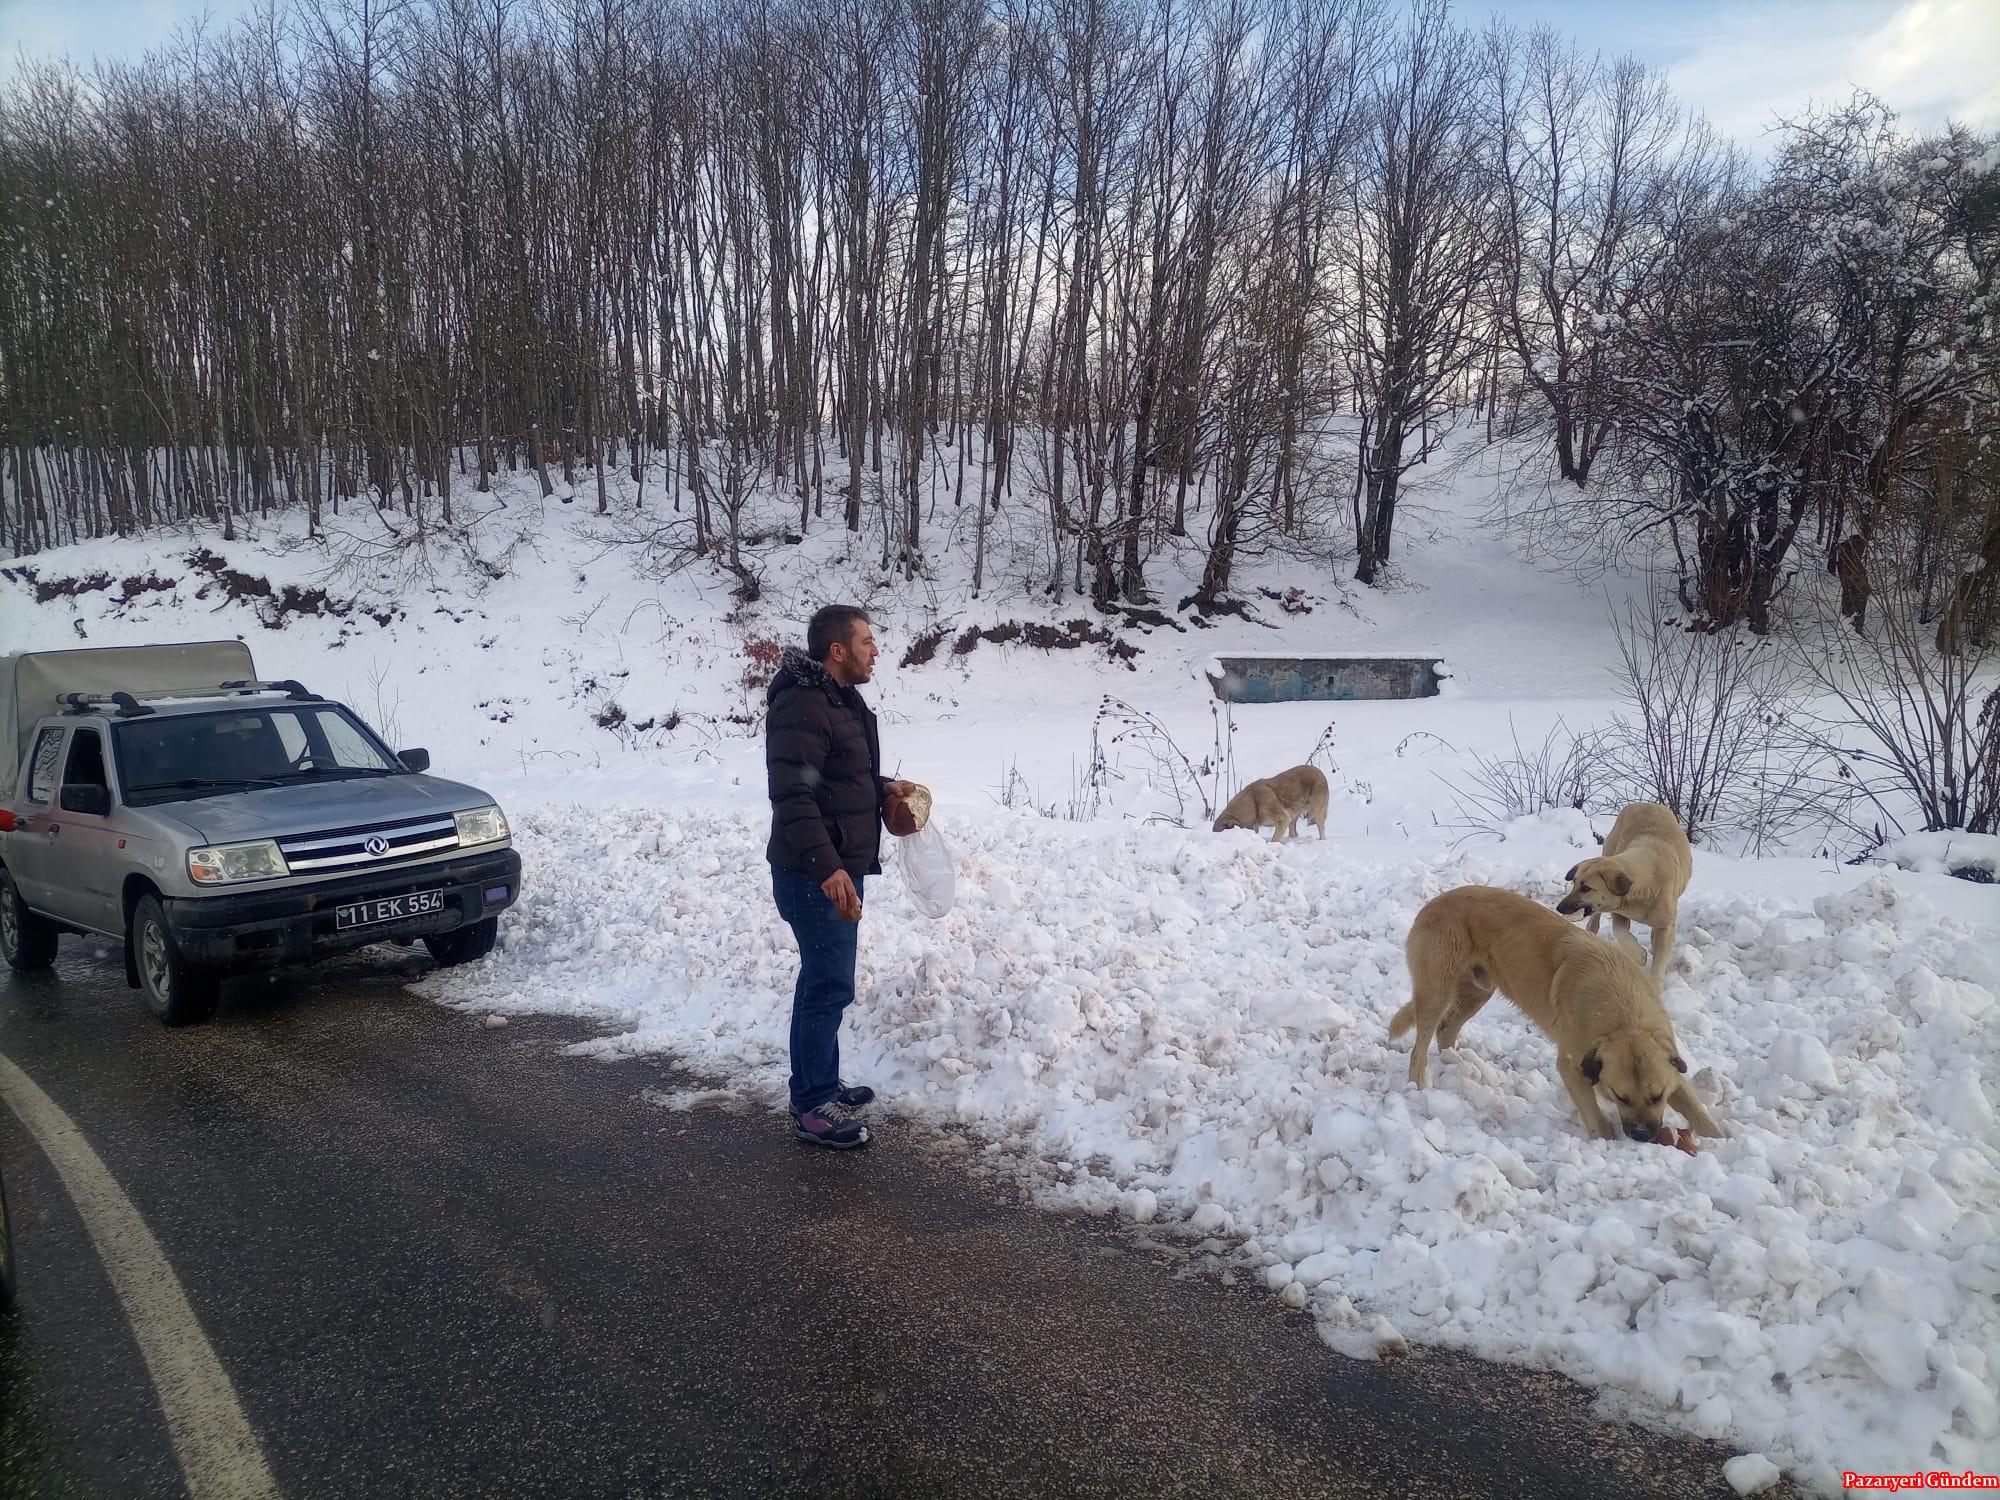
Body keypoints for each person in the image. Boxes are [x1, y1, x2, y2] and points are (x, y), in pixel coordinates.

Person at [765, 604, 916, 1150]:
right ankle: (810, 1105)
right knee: (828, 984)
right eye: (867, 641)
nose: (875, 650)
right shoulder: (804, 703)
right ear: (837, 650)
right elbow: (793, 795)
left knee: (823, 981)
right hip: (814, 873)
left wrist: (882, 788)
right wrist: (828, 866)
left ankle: (819, 1083)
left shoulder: (835, 700)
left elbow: (838, 775)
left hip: (833, 868)